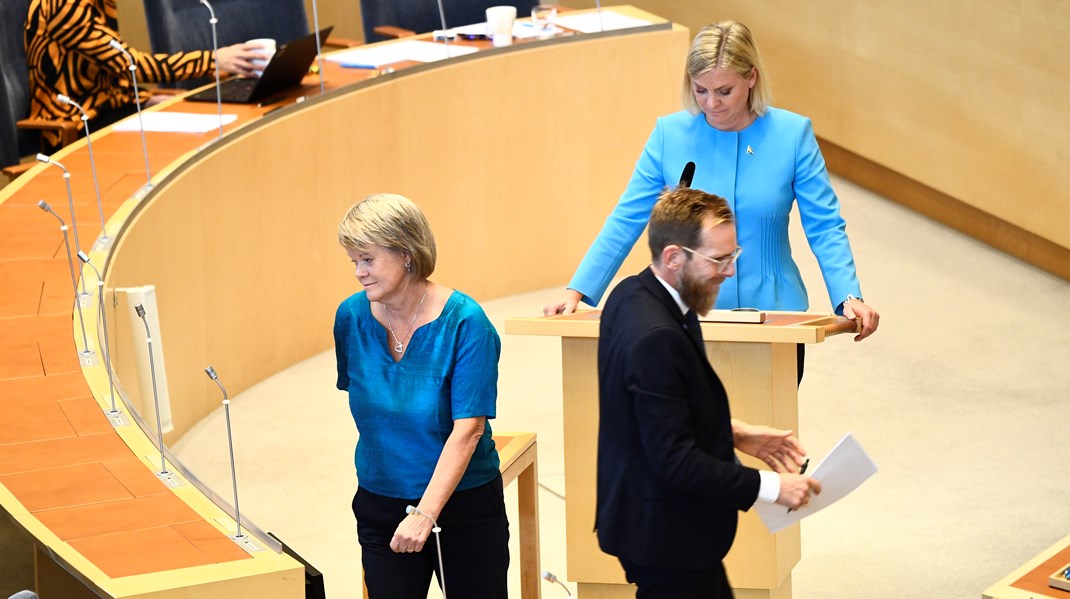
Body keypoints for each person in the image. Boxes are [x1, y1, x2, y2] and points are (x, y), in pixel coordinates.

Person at [545, 21, 879, 349]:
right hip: (686, 313)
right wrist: (577, 289)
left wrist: (848, 295)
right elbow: (627, 217)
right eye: (700, 90)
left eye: (724, 91)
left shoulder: (793, 135)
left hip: (774, 314)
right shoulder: (669, 134)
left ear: (751, 77)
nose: (711, 103)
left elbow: (824, 226)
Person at [596, 187, 821, 599]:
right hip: (666, 536)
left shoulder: (632, 293)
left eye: (732, 255)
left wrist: (733, 432)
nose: (730, 272)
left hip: (656, 526)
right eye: (719, 259)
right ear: (673, 257)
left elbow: (652, 412)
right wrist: (772, 488)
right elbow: (675, 461)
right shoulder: (656, 338)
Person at [333, 194, 509, 599]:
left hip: (461, 505)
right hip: (380, 501)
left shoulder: (466, 322)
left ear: (407, 254)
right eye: (353, 261)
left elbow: (468, 430)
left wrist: (426, 514)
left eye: (368, 259)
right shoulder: (351, 317)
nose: (359, 272)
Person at [25, 0, 265, 150]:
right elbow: (130, 64)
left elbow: (107, 69)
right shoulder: (62, 5)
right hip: (78, 123)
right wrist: (213, 59)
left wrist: (143, 98)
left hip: (109, 110)